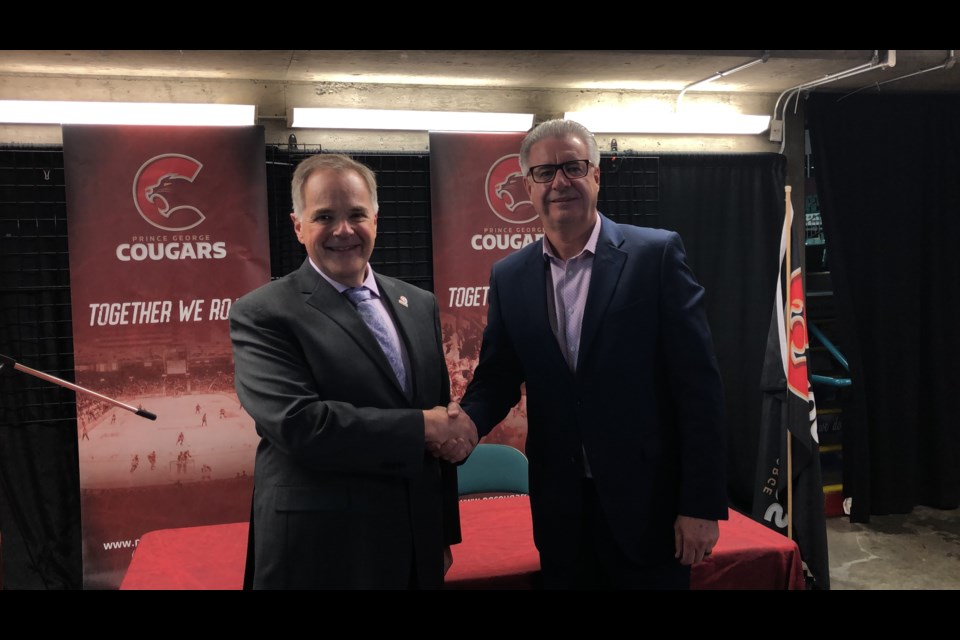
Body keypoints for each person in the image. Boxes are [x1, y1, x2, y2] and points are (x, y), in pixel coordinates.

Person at [457, 119, 727, 589]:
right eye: (544, 172)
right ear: (527, 186)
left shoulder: (655, 256)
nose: (559, 181)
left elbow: (699, 388)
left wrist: (701, 505)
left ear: (596, 175)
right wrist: (462, 427)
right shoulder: (510, 276)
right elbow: (498, 376)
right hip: (562, 515)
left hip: (651, 512)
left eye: (573, 167)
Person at [230, 153, 475, 590]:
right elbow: (300, 425)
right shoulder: (263, 313)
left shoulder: (419, 305)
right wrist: (423, 427)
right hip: (321, 552)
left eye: (356, 214)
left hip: (413, 546)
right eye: (324, 216)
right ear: (297, 225)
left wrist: (441, 532)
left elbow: (438, 416)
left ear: (375, 220)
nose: (343, 230)